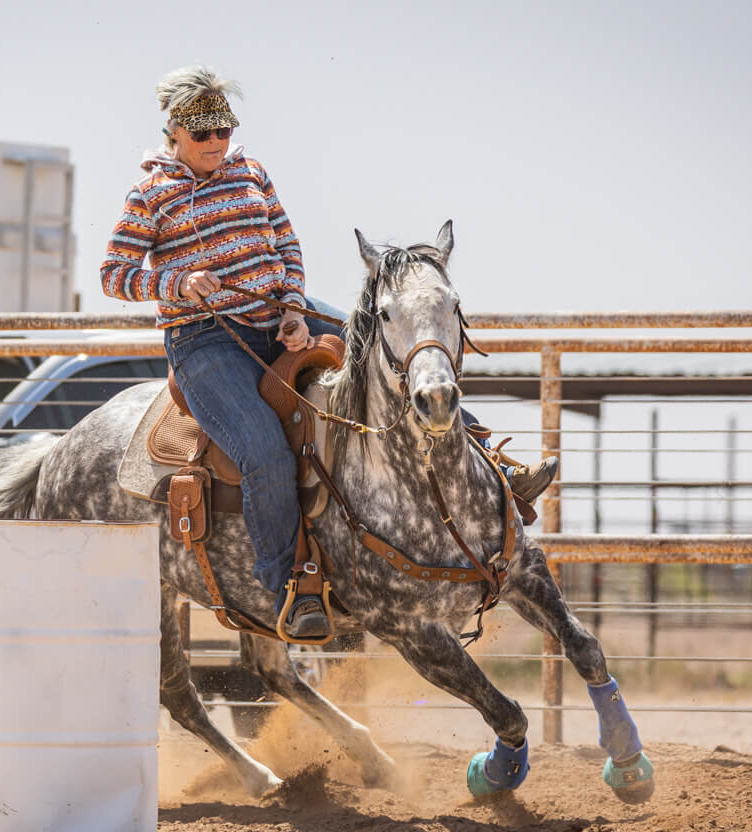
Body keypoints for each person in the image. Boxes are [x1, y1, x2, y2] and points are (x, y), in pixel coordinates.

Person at [100, 66, 554, 639]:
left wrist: (292, 307)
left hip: (278, 315)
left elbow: (287, 245)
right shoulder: (149, 195)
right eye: (202, 135)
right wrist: (177, 283)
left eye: (222, 132)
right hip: (206, 340)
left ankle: (498, 467)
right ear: (175, 134)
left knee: (390, 357)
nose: (216, 144)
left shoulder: (252, 173)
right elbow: (114, 274)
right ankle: (290, 585)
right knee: (263, 449)